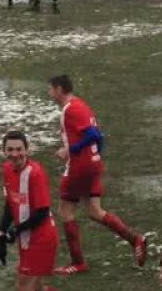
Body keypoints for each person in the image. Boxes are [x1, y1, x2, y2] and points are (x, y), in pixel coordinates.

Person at [0, 130, 95, 291]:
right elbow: (10, 204)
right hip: (26, 237)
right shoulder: (7, 170)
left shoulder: (35, 173)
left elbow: (40, 213)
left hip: (41, 238)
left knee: (24, 287)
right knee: (37, 289)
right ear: (4, 151)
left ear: (27, 150)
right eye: (10, 149)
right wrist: (1, 232)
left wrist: (14, 232)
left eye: (19, 149)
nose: (15, 154)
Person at [48, 74, 147, 274]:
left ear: (59, 89)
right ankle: (135, 239)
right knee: (94, 210)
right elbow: (97, 136)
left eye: (50, 89)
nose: (49, 93)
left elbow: (92, 135)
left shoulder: (71, 109)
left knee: (66, 212)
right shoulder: (81, 105)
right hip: (91, 165)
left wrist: (71, 151)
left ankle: (78, 263)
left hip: (80, 166)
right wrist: (96, 157)